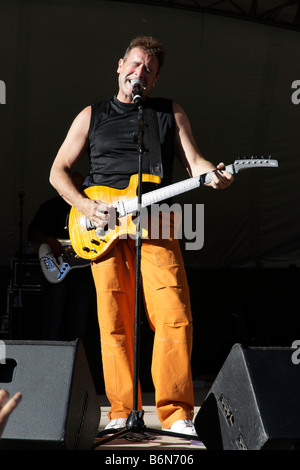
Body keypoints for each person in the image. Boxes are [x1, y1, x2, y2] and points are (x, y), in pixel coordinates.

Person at [49, 36, 233, 436]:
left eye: (148, 70)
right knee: (114, 322)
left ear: (155, 78)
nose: (140, 73)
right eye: (135, 65)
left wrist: (213, 176)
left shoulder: (170, 112)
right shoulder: (92, 114)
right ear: (119, 66)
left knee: (174, 316)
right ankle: (121, 410)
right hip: (102, 223)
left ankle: (176, 414)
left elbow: (195, 162)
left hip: (157, 219)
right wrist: (84, 206)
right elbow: (58, 170)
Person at [27, 172, 95, 341]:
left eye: (82, 187)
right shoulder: (50, 207)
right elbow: (32, 233)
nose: (80, 190)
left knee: (79, 323)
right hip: (57, 269)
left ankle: (77, 359)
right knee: (53, 319)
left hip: (82, 272)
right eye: (76, 187)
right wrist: (49, 240)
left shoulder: (89, 208)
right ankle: (51, 360)